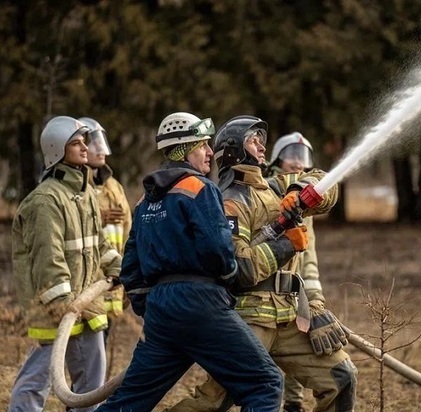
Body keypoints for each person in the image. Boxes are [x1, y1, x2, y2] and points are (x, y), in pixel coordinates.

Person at [96, 112, 283, 412]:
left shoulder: (146, 201)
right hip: (201, 304)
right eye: (202, 146)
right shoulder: (201, 189)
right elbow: (218, 250)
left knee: (128, 402)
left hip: (161, 312)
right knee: (265, 383)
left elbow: (131, 267)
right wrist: (230, 275)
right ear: (184, 149)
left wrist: (152, 308)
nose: (210, 152)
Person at [168, 116, 357, 412]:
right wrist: (286, 245)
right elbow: (239, 269)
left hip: (290, 317)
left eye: (261, 140)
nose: (261, 146)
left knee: (341, 377)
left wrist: (299, 190)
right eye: (253, 140)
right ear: (233, 151)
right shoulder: (229, 203)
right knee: (214, 401)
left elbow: (324, 180)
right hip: (249, 321)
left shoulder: (277, 187)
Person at [9, 116, 122, 412]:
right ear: (57, 149)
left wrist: (117, 267)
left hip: (86, 305)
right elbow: (49, 258)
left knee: (92, 387)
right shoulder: (46, 201)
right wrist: (64, 305)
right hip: (56, 308)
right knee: (39, 380)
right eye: (76, 142)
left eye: (84, 141)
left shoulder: (83, 193)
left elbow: (98, 243)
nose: (85, 147)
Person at [266, 132, 325, 412]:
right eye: (291, 155)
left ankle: (293, 404)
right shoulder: (263, 192)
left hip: (293, 290)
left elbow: (308, 256)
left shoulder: (304, 202)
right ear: (277, 160)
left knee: (299, 346)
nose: (297, 163)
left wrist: (314, 300)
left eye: (303, 158)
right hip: (262, 295)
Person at [78, 117, 132, 322]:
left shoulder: (115, 187)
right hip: (88, 283)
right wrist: (97, 218)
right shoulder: (77, 187)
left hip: (113, 280)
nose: (100, 149)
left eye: (101, 142)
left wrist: (128, 274)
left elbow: (128, 232)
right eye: (93, 143)